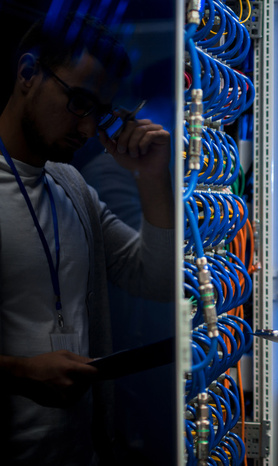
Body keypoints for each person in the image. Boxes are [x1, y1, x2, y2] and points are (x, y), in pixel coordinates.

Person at [0, 12, 174, 465]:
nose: (85, 129)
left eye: (99, 113)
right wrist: (18, 373)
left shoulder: (73, 188)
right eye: (78, 101)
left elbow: (155, 281)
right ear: (27, 75)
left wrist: (153, 178)